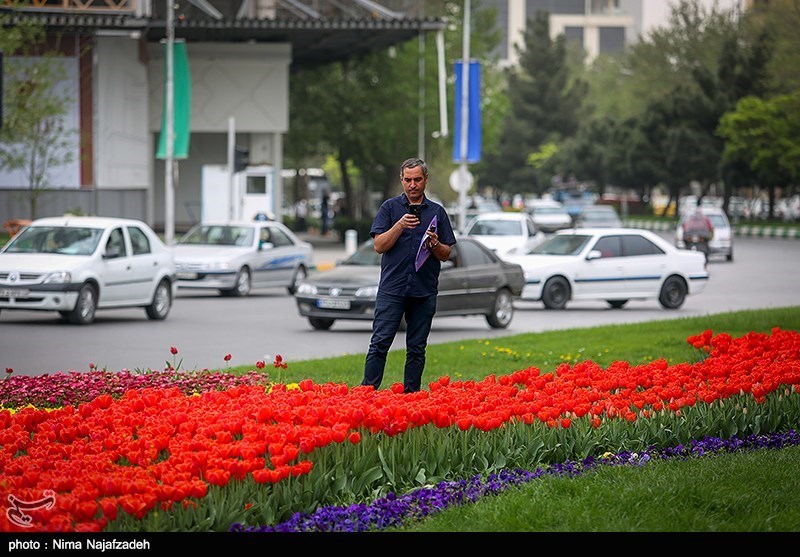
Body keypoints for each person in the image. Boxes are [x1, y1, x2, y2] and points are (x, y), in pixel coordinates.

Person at [361, 158, 457, 393]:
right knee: (380, 343)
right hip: (392, 290)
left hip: (423, 291)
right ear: (401, 181)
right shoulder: (390, 208)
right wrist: (399, 226)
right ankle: (366, 395)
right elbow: (379, 246)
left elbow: (446, 254)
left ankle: (411, 398)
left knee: (416, 347)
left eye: (417, 180)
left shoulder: (437, 212)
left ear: (425, 180)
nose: (412, 185)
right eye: (408, 180)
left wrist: (434, 243)